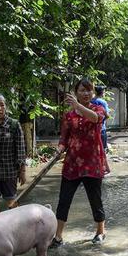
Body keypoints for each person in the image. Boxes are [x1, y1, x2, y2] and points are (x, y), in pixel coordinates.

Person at [51, 78, 110, 247]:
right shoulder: (69, 116)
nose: (85, 93)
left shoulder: (98, 108)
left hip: (92, 163)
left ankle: (100, 232)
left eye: (88, 90)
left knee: (95, 199)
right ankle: (58, 236)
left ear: (92, 93)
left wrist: (77, 106)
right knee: (64, 200)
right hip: (72, 164)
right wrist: (59, 149)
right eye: (82, 90)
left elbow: (95, 119)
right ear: (76, 92)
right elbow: (64, 138)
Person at [91, 85, 110, 151]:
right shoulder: (103, 102)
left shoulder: (90, 101)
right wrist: (101, 120)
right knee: (102, 149)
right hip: (101, 129)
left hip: (91, 129)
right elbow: (107, 115)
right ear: (102, 93)